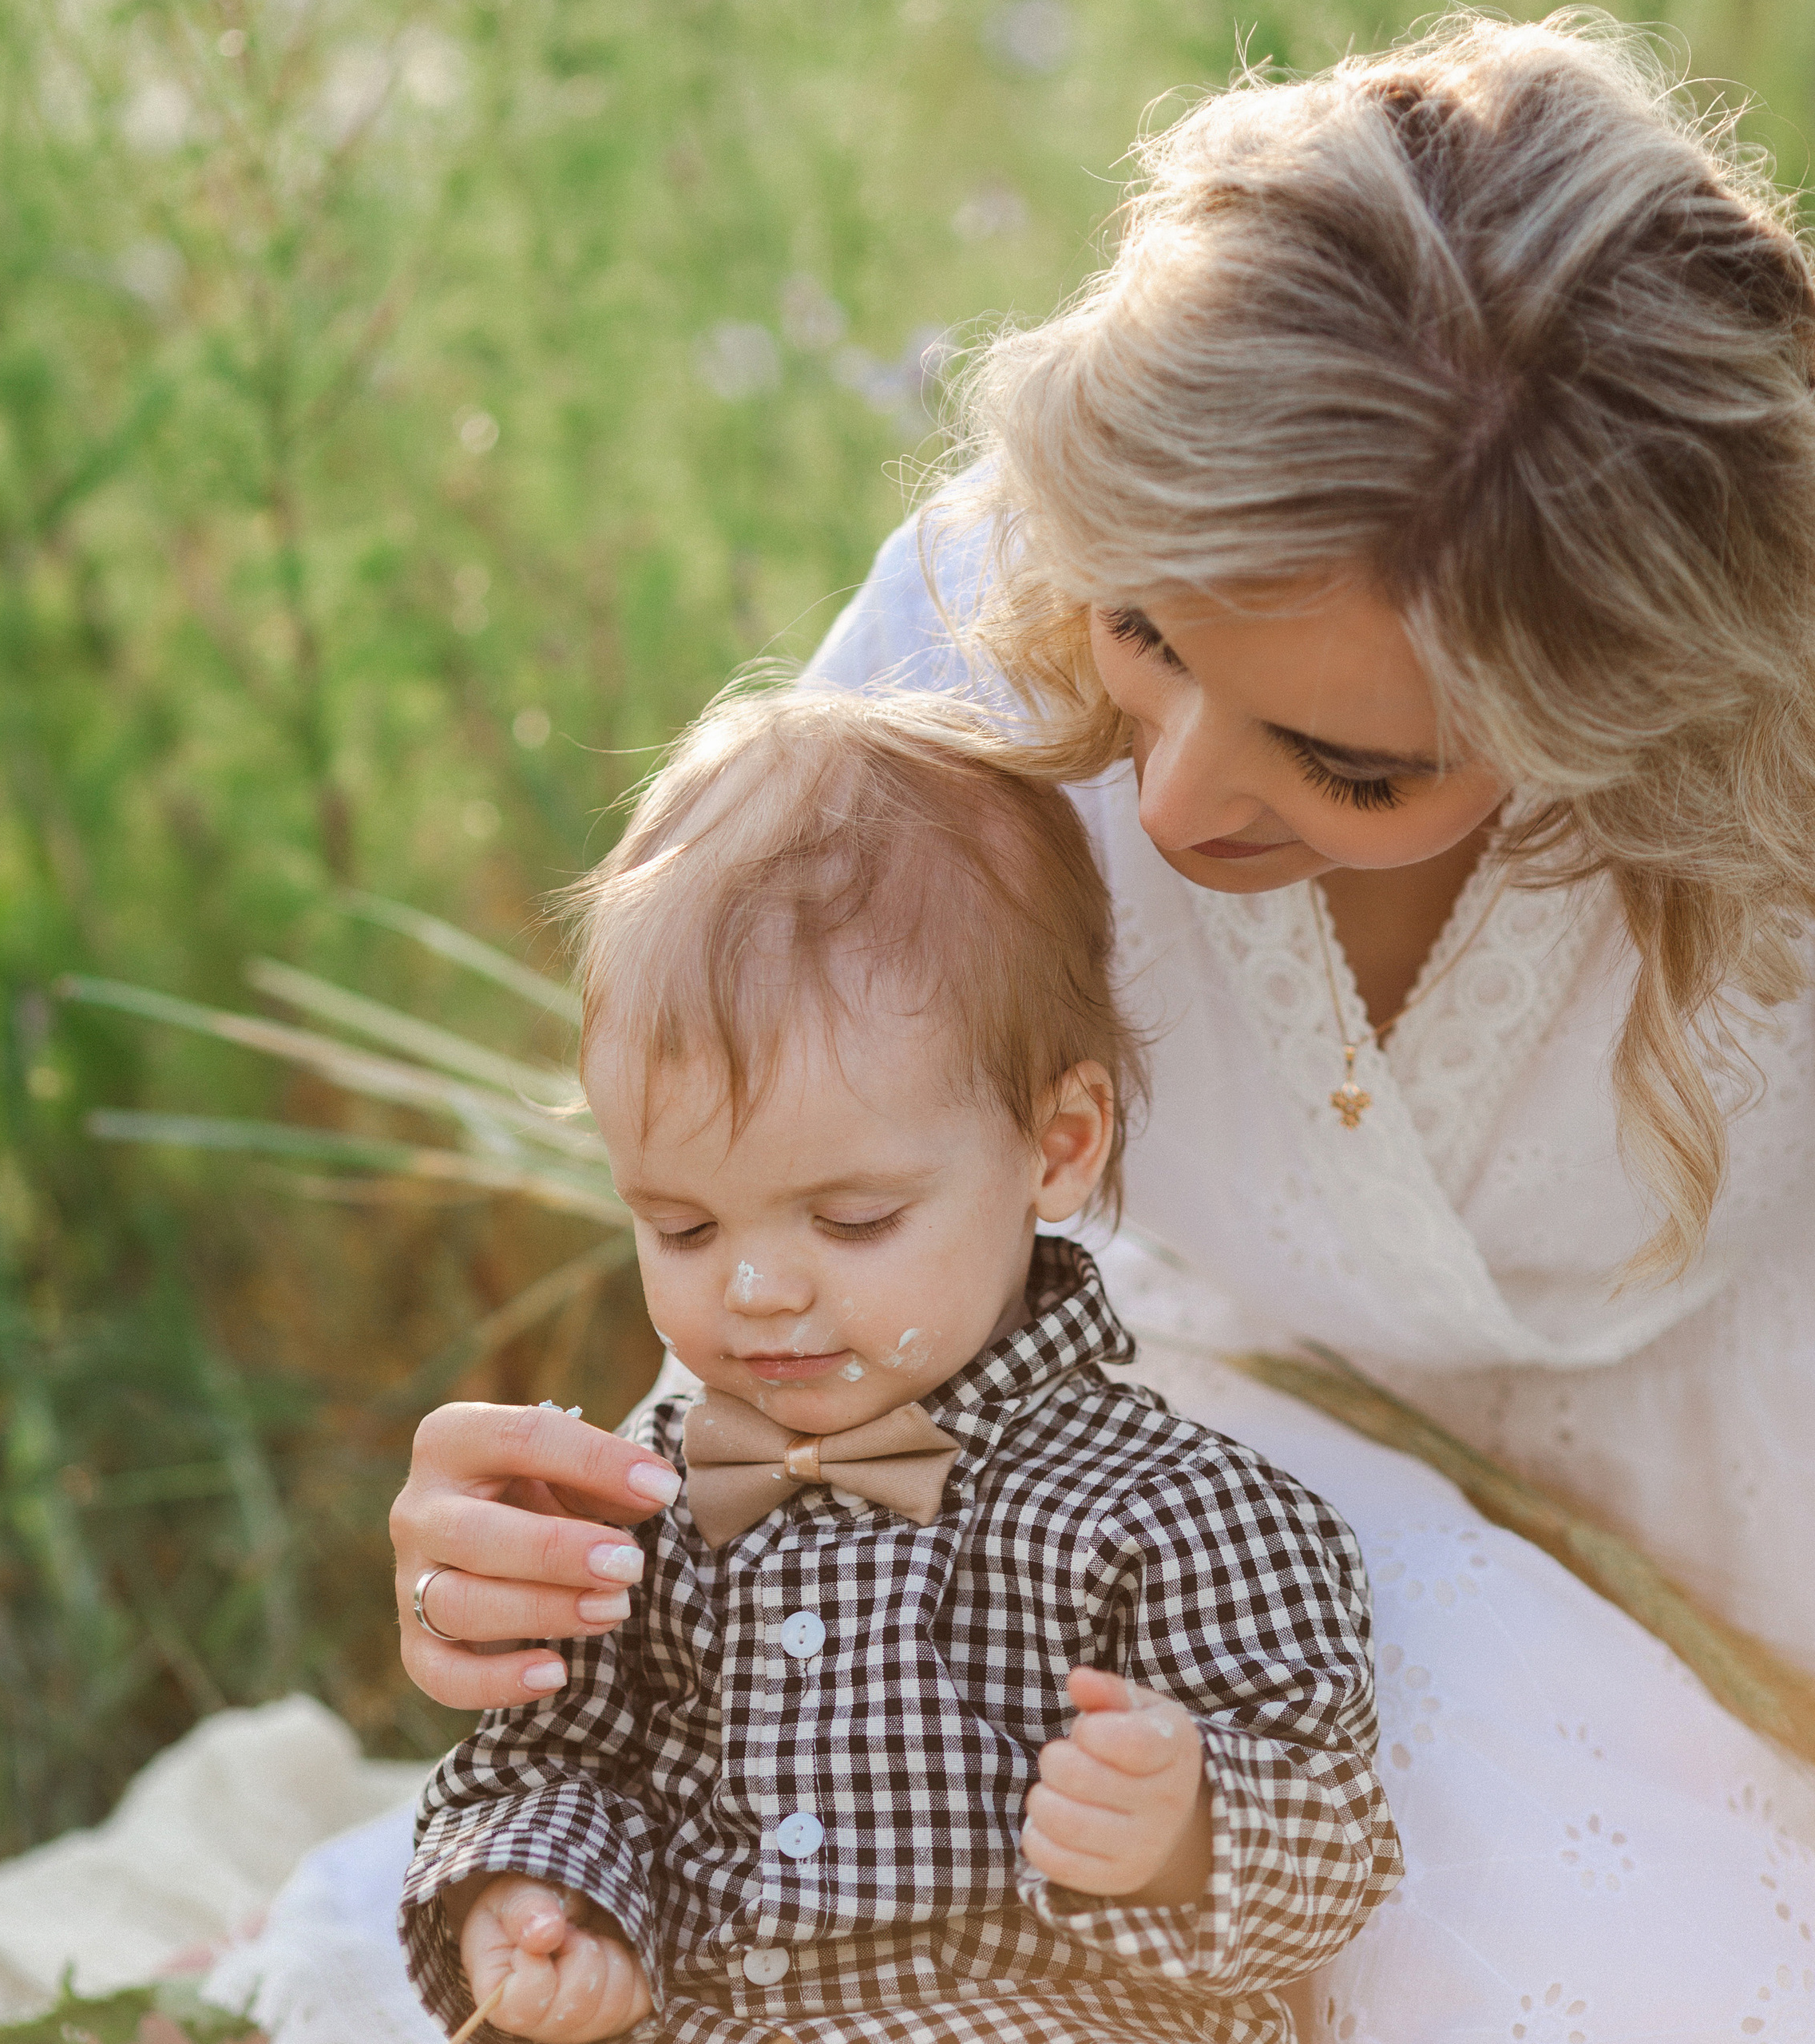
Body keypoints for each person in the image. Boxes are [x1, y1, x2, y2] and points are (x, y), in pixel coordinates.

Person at [389, 13, 1815, 2035]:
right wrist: (567, 1541)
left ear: (1626, 726)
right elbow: (807, 1207)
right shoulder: (968, 642)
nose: (1163, 805)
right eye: (1144, 632)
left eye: (1344, 760)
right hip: (1219, 1488)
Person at [398, 688, 1401, 2044]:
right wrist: (538, 1899)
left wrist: (1187, 1826)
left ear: (1057, 1147)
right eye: (681, 1224)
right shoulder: (640, 1512)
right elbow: (550, 1760)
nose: (756, 1290)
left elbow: (1335, 1830)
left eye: (854, 1219)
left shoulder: (1169, 1512)